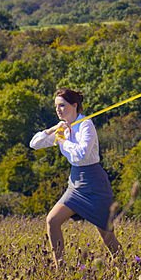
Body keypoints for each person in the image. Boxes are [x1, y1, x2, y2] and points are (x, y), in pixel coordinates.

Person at [29, 88, 121, 270]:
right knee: (52, 221)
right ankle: (60, 268)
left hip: (94, 182)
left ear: (74, 105)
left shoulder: (86, 125)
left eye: (62, 106)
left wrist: (63, 140)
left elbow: (81, 154)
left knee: (106, 234)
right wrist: (54, 129)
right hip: (76, 182)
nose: (58, 110)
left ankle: (124, 265)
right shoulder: (62, 127)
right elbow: (34, 144)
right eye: (56, 106)